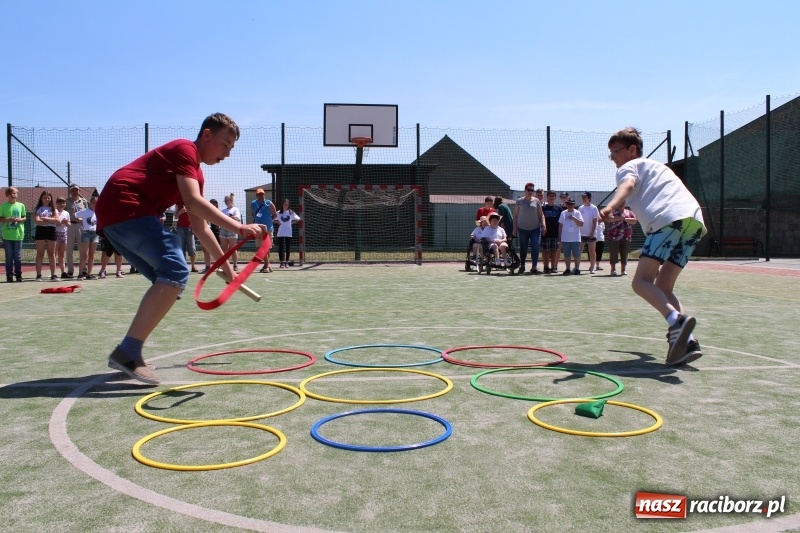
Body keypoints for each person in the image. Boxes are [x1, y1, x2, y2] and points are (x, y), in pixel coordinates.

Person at [96, 113, 264, 384]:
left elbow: (201, 228)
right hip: (125, 205)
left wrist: (228, 270)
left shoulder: (196, 175)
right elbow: (194, 202)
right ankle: (128, 352)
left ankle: (130, 350)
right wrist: (238, 227)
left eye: (231, 148)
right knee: (174, 270)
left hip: (116, 214)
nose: (227, 153)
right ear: (206, 135)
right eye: (225, 144)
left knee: (170, 282)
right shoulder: (184, 150)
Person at [601, 127, 706, 366]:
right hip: (693, 222)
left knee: (641, 282)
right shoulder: (657, 167)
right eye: (611, 153)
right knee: (664, 286)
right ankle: (688, 342)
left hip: (666, 220)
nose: (613, 157)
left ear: (632, 149)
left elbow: (628, 185)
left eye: (616, 151)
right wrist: (619, 210)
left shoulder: (629, 167)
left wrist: (610, 206)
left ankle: (676, 320)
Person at [512, 182, 546, 274]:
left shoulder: (537, 201)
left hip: (535, 229)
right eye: (528, 190)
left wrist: (544, 226)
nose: (530, 192)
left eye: (532, 190)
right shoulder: (519, 201)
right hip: (522, 229)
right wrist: (514, 229)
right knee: (523, 248)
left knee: (536, 246)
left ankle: (534, 267)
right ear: (525, 190)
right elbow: (515, 216)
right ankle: (522, 266)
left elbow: (541, 215)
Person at [1, 187, 26, 282]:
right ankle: (9, 275)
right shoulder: (3, 206)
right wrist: (9, 219)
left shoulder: (21, 205)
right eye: (11, 193)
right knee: (9, 256)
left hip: (18, 234)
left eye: (15, 193)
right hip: (7, 235)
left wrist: (20, 219)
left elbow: (24, 217)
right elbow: (1, 218)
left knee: (18, 256)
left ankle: (18, 275)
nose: (13, 195)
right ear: (7, 195)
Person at [33, 190, 59, 281]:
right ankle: (38, 275)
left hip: (51, 231)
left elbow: (57, 221)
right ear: (41, 198)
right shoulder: (37, 209)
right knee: (40, 253)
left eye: (48, 198)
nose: (46, 199)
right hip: (41, 231)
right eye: (44, 198)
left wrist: (44, 218)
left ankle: (53, 275)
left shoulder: (54, 209)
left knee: (51, 253)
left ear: (51, 198)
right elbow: (37, 221)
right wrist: (50, 220)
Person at [65, 184, 88, 278]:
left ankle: (83, 269)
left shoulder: (84, 201)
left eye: (76, 190)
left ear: (79, 191)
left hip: (81, 226)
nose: (75, 192)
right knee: (69, 249)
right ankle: (70, 270)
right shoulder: (67, 201)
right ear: (70, 191)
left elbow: (87, 213)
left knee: (82, 249)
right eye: (73, 190)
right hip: (70, 225)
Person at [251, 188, 277, 273]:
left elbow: (274, 215)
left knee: (267, 248)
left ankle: (266, 265)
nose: (260, 196)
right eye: (259, 194)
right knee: (260, 247)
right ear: (256, 195)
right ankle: (267, 265)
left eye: (262, 194)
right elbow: (253, 214)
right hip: (258, 229)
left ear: (264, 195)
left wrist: (268, 221)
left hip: (268, 229)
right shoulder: (253, 203)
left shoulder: (269, 203)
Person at [606, 205, 637, 276]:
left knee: (624, 252)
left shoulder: (629, 212)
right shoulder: (612, 211)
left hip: (626, 236)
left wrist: (625, 219)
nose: (622, 203)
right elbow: (608, 219)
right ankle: (613, 270)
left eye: (624, 202)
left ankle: (623, 270)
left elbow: (635, 220)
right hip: (614, 236)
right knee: (613, 252)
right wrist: (619, 218)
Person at [74, 195, 99, 280]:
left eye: (97, 203)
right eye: (93, 203)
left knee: (92, 255)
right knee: (84, 254)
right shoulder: (85, 211)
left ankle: (89, 274)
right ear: (90, 203)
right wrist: (80, 221)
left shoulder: (98, 212)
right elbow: (74, 215)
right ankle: (80, 274)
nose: (95, 204)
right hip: (86, 233)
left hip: (95, 234)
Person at [558, 197, 583, 275]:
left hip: (575, 238)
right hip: (565, 238)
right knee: (567, 254)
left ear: (574, 205)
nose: (570, 205)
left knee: (576, 254)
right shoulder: (563, 213)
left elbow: (581, 224)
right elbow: (560, 225)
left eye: (571, 204)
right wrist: (560, 236)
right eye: (568, 204)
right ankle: (568, 268)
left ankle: (577, 268)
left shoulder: (577, 213)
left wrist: (573, 218)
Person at [541, 191, 563, 274]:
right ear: (547, 197)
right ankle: (546, 267)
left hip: (555, 233)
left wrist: (560, 232)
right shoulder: (543, 208)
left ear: (555, 197)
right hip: (546, 233)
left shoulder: (559, 208)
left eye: (553, 196)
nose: (551, 197)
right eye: (550, 196)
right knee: (545, 250)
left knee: (554, 250)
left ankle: (553, 267)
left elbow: (561, 221)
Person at [274, 198, 301, 268]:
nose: (286, 206)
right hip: (280, 232)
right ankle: (281, 263)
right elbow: (273, 219)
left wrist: (292, 222)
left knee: (287, 248)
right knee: (281, 248)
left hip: (288, 232)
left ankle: (286, 262)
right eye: (284, 204)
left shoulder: (291, 212)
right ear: (282, 204)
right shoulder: (278, 213)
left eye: (287, 204)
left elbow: (298, 219)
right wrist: (278, 222)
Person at [578, 192, 600, 274]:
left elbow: (595, 221)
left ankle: (592, 267)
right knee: (579, 251)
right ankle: (577, 267)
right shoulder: (580, 208)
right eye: (583, 197)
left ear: (589, 198)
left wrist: (592, 232)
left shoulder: (594, 208)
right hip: (581, 233)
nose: (583, 199)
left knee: (592, 251)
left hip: (591, 234)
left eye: (585, 197)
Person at [219, 193, 241, 271]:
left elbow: (237, 217)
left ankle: (235, 265)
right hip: (223, 230)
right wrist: (228, 218)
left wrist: (229, 218)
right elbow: (220, 219)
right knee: (224, 249)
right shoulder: (223, 211)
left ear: (231, 200)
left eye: (227, 200)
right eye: (225, 201)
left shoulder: (235, 209)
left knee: (233, 248)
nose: (225, 202)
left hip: (232, 230)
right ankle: (225, 265)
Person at [174, 203, 198, 272]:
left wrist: (194, 227)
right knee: (181, 247)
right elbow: (175, 216)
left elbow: (195, 216)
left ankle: (193, 266)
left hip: (190, 227)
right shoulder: (177, 203)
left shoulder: (190, 202)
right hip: (180, 228)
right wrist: (181, 212)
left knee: (192, 247)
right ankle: (183, 266)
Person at [199, 199, 221, 274]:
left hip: (216, 232)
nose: (213, 205)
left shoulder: (218, 212)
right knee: (206, 249)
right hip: (207, 231)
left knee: (217, 249)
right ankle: (208, 267)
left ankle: (220, 266)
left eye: (214, 203)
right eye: (211, 203)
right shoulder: (205, 211)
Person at [54, 197, 71, 278]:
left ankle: (63, 272)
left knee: (62, 254)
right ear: (56, 203)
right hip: (55, 233)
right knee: (54, 254)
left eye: (63, 203)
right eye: (60, 203)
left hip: (64, 234)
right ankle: (53, 273)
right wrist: (61, 222)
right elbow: (53, 223)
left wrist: (66, 222)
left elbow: (69, 224)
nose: (62, 204)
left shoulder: (66, 213)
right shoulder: (54, 212)